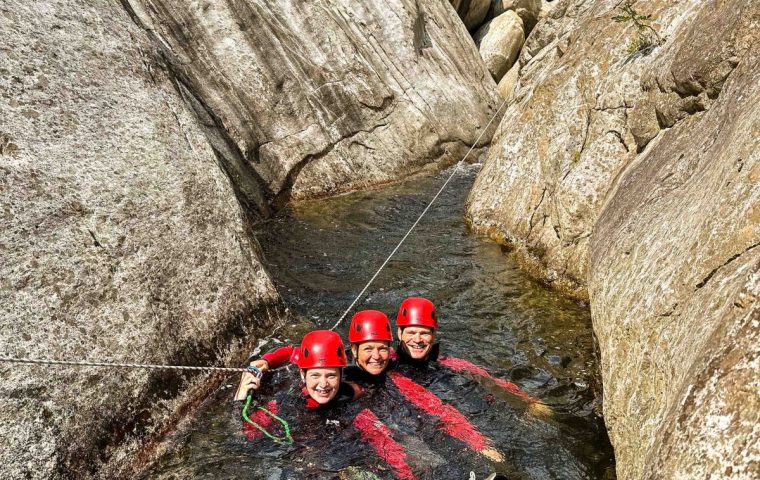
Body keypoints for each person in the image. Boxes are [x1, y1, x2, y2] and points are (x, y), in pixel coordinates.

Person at [234, 330, 360, 408]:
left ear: (340, 375)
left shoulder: (351, 392)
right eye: (315, 375)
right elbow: (245, 433)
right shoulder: (286, 402)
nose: (323, 384)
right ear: (302, 374)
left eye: (331, 376)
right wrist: (240, 397)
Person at [344, 310, 395, 385]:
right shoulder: (343, 374)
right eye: (368, 349)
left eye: (382, 349)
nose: (376, 356)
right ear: (354, 350)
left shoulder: (394, 363)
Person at [394, 297, 440, 365]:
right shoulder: (388, 362)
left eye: (424, 333)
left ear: (434, 335)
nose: (417, 340)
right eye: (411, 333)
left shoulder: (451, 365)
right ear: (400, 333)